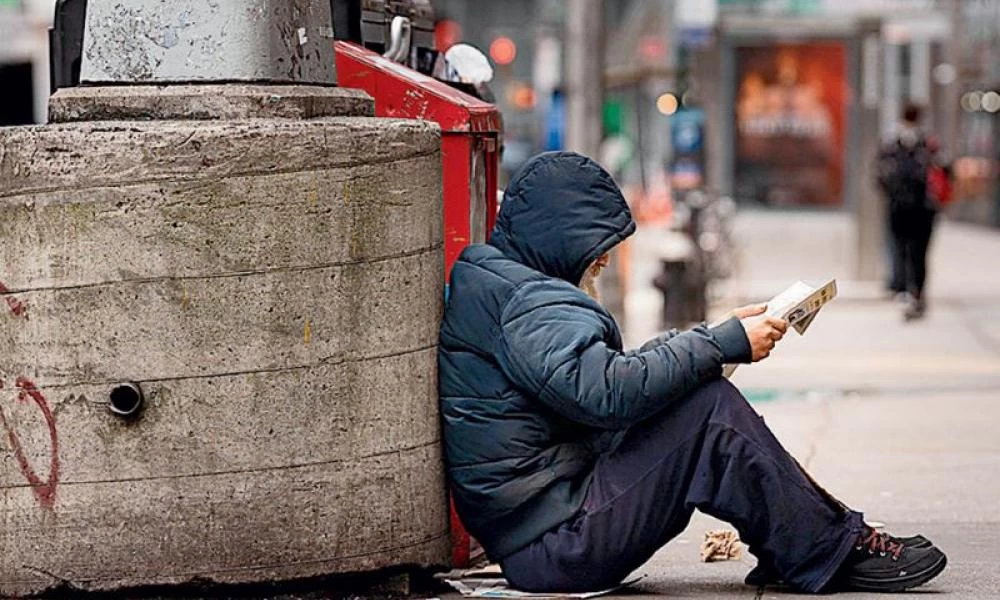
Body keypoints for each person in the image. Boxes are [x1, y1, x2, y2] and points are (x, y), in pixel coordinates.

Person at [439, 152, 947, 593]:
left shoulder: (506, 286)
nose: (601, 263)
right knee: (708, 412)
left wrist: (719, 337)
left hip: (550, 527)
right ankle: (823, 548)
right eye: (596, 251)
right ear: (561, 236)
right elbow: (606, 394)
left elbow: (603, 379)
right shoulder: (526, 300)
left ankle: (800, 542)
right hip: (558, 542)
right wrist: (720, 343)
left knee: (698, 396)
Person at [877, 104, 939, 321]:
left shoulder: (896, 143)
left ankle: (907, 289)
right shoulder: (927, 144)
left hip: (909, 206)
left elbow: (880, 173)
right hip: (916, 207)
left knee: (904, 248)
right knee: (914, 252)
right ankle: (912, 289)